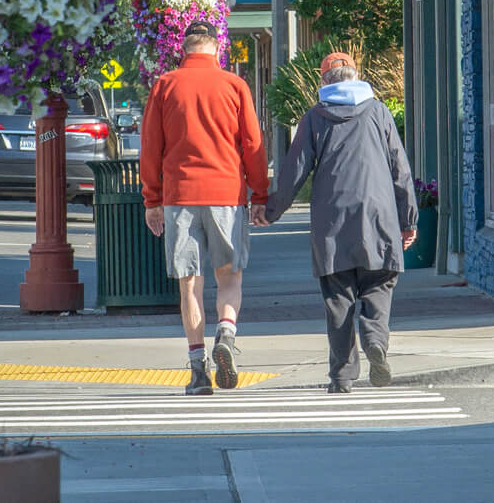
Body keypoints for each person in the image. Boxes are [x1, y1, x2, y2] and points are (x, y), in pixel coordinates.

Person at [259, 51, 416, 394]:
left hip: (332, 221)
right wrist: (408, 219)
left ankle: (342, 377)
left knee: (338, 296)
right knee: (378, 284)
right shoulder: (378, 111)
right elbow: (399, 169)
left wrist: (271, 211)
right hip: (378, 216)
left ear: (323, 82)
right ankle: (375, 340)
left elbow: (294, 172)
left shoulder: (315, 117)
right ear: (356, 76)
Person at [141, 20, 268, 396]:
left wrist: (152, 199)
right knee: (229, 279)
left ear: (184, 50)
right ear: (217, 49)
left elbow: (151, 147)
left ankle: (198, 371)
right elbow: (253, 145)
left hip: (179, 197)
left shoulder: (165, 86)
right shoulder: (235, 86)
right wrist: (259, 195)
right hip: (226, 195)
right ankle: (226, 333)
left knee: (189, 286)